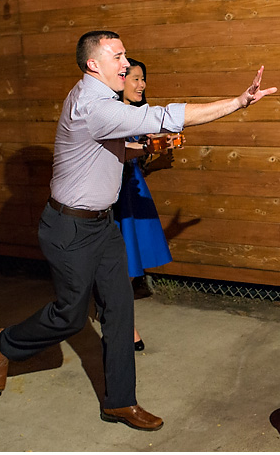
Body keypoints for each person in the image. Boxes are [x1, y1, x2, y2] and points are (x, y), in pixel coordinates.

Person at [0, 30, 276, 431]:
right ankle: (5, 343)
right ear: (93, 64)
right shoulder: (94, 106)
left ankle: (120, 401)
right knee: (70, 317)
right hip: (69, 227)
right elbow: (165, 115)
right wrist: (238, 102)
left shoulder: (99, 99)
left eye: (124, 55)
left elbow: (112, 148)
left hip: (102, 227)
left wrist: (150, 147)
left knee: (119, 310)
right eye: (118, 57)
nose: (126, 63)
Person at [115, 57, 172, 352]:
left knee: (131, 264)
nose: (141, 84)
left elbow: (137, 158)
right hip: (114, 194)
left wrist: (158, 151)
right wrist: (148, 146)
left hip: (133, 189)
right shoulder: (112, 113)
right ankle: (122, 325)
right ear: (120, 80)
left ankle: (116, 318)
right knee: (122, 263)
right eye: (135, 78)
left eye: (143, 79)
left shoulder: (138, 114)